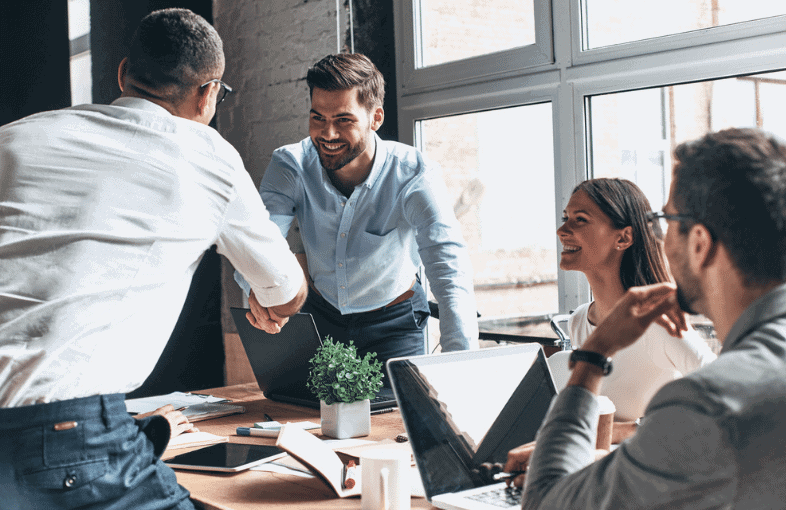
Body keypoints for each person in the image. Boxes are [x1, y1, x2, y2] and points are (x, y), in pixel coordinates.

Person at [0, 8, 306, 509]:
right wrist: (276, 301)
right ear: (209, 95)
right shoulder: (206, 155)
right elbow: (285, 290)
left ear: (123, 74)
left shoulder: (14, 137)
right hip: (67, 439)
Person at [505, 127, 786, 509]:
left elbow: (547, 503)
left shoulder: (709, 403)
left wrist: (593, 356)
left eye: (666, 218)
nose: (657, 235)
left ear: (699, 243)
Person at [237, 53, 478, 362]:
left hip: (394, 324)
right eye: (318, 118)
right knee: (302, 409)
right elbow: (258, 239)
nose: (328, 134)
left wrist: (461, 362)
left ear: (375, 118)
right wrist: (259, 289)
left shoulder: (414, 174)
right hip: (320, 316)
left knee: (398, 410)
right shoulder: (291, 164)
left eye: (344, 120)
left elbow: (449, 267)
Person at [557, 178, 716, 433]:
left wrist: (623, 430)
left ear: (624, 237)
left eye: (580, 219)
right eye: (566, 217)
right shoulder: (579, 321)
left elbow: (727, 395)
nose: (562, 230)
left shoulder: (659, 324)